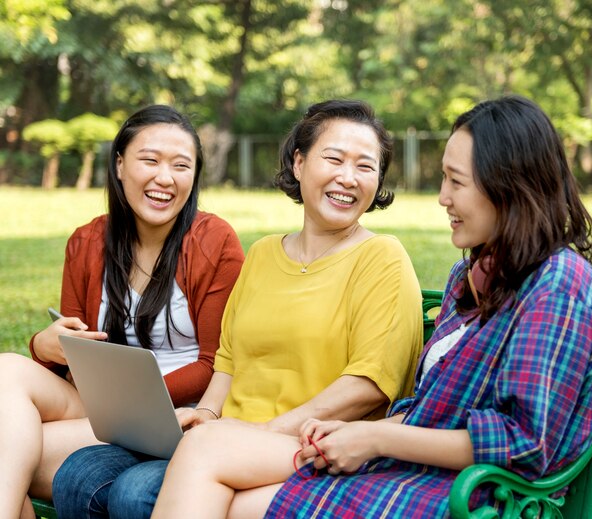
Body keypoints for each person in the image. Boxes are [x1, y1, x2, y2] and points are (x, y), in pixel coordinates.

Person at [148, 95, 592, 519]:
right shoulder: (474, 273)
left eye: (456, 182)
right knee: (210, 453)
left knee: (217, 470)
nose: (442, 197)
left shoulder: (559, 284)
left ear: (508, 186)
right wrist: (347, 435)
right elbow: (427, 403)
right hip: (411, 464)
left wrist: (374, 436)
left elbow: (522, 444)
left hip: (477, 495)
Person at [52, 99, 423, 517]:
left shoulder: (383, 257)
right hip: (225, 434)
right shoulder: (265, 253)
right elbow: (228, 360)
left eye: (365, 167)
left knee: (135, 492)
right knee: (79, 475)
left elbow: (367, 386)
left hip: (306, 443)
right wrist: (207, 415)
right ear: (299, 163)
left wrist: (257, 433)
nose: (347, 178)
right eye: (333, 159)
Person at [0, 105, 244, 519]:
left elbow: (216, 360)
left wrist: (135, 402)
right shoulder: (87, 241)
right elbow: (72, 350)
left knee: (11, 450)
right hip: (100, 406)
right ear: (119, 165)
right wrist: (45, 344)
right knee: (7, 368)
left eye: (181, 165)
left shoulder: (214, 241)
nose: (164, 178)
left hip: (177, 414)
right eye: (149, 160)